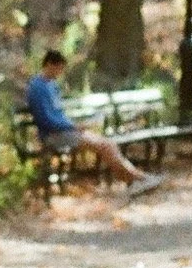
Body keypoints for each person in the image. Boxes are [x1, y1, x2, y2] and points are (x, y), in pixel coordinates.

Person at [22, 50, 162, 196]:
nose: (60, 73)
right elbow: (46, 120)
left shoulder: (51, 85)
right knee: (104, 145)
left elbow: (59, 115)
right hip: (54, 135)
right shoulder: (37, 88)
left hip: (66, 131)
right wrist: (72, 126)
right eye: (59, 69)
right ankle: (140, 178)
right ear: (50, 65)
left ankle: (133, 181)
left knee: (108, 144)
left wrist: (75, 126)